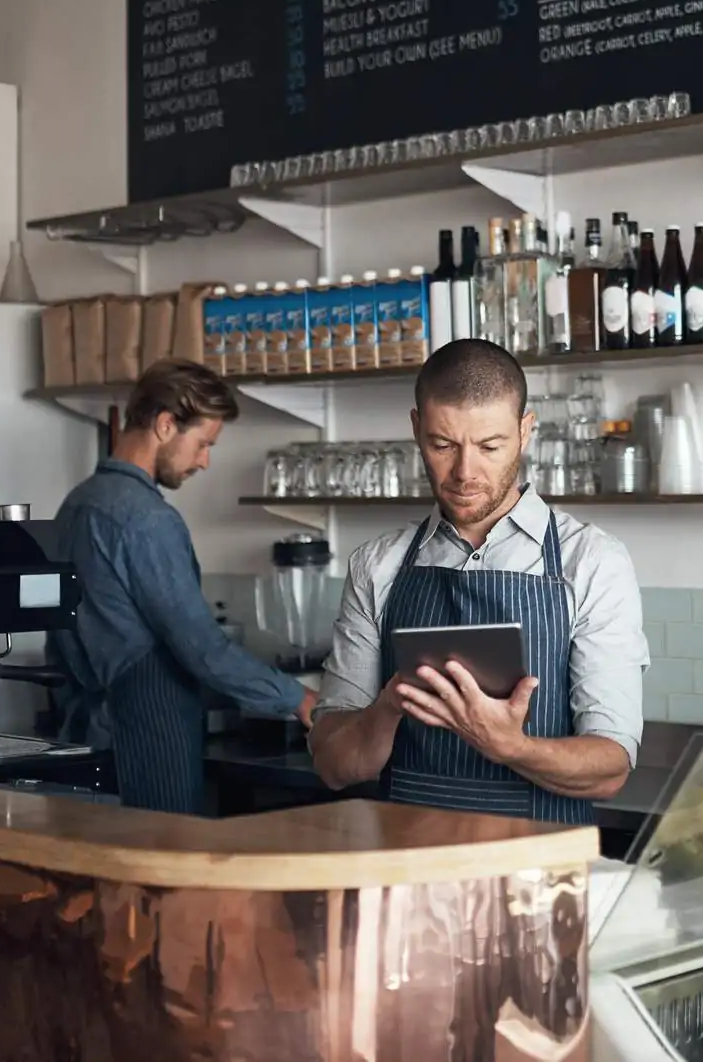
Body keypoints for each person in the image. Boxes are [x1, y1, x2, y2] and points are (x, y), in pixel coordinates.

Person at [311, 339, 648, 822]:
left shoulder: (592, 562)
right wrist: (386, 708)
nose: (465, 472)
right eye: (442, 444)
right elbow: (333, 765)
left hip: (539, 875)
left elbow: (610, 768)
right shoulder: (377, 566)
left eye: (490, 446)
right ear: (416, 429)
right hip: (409, 867)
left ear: (525, 431)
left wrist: (511, 746)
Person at [55, 358, 311, 813]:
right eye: (203, 443)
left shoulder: (77, 505)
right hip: (150, 739)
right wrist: (300, 699)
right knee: (164, 875)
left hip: (89, 735)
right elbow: (202, 647)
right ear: (166, 424)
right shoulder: (146, 519)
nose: (205, 461)